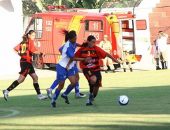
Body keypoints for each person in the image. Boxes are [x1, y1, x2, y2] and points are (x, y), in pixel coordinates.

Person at [75, 35, 120, 106]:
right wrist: (83, 59)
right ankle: (90, 93)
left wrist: (115, 60)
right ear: (88, 41)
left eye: (95, 42)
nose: (94, 44)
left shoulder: (96, 48)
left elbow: (106, 54)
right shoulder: (82, 49)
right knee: (93, 79)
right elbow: (74, 58)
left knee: (96, 87)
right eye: (92, 42)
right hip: (86, 68)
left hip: (96, 69)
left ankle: (91, 98)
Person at [2, 30, 48, 101]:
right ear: (29, 35)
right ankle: (7, 91)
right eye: (32, 35)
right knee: (21, 80)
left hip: (26, 62)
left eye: (34, 36)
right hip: (26, 63)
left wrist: (20, 54)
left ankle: (39, 95)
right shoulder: (30, 41)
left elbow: (15, 49)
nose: (33, 37)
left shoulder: (23, 41)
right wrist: (42, 53)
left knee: (35, 77)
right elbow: (34, 51)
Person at [50, 30, 89, 108]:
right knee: (61, 85)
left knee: (74, 82)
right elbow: (73, 58)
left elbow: (77, 45)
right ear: (70, 39)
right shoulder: (67, 46)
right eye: (75, 38)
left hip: (69, 67)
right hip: (62, 67)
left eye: (76, 38)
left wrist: (83, 45)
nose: (76, 40)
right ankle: (53, 99)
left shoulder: (73, 43)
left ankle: (64, 94)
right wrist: (84, 59)